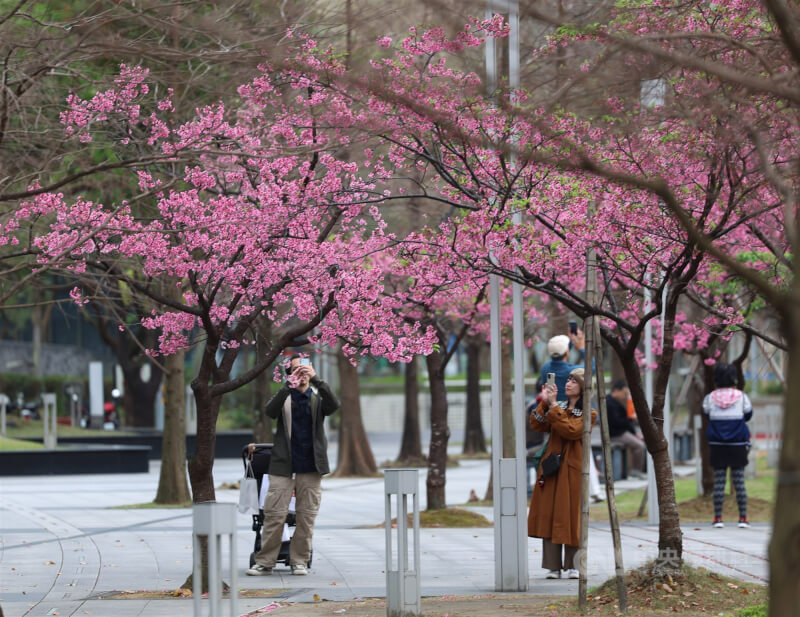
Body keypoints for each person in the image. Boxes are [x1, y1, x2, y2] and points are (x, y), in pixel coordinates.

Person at [246, 354, 340, 576]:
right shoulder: (285, 397)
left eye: (305, 368)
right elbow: (269, 411)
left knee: (306, 516)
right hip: (282, 466)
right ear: (289, 374)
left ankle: (299, 561)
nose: (302, 372)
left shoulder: (318, 398)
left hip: (311, 466)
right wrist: (288, 387)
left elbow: (334, 405)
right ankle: (264, 562)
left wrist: (317, 380)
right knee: (274, 515)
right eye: (297, 369)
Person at [528, 368, 598, 579]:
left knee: (572, 515)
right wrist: (545, 402)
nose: (568, 384)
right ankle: (552, 566)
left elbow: (571, 430)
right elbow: (536, 424)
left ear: (583, 387)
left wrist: (555, 407)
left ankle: (574, 565)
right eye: (568, 379)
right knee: (550, 514)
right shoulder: (558, 407)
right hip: (551, 468)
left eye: (573, 381)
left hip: (574, 471)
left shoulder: (589, 413)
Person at [537, 332, 604, 502]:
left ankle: (588, 489)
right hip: (569, 412)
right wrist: (581, 348)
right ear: (567, 352)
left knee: (559, 450)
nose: (569, 383)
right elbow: (592, 368)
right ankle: (593, 490)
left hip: (554, 415)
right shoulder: (571, 371)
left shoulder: (545, 368)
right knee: (581, 450)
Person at [703, 362, 753, 529]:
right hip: (738, 444)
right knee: (739, 481)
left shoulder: (710, 398)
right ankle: (743, 518)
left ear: (715, 378)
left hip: (718, 445)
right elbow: (748, 415)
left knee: (719, 481)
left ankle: (718, 518)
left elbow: (707, 415)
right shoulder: (741, 397)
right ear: (735, 378)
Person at [606, 381, 647, 479]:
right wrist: (630, 418)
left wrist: (635, 433)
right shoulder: (609, 402)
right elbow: (616, 422)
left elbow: (626, 422)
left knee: (642, 441)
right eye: (624, 393)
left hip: (622, 432)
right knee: (639, 445)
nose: (625, 396)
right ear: (616, 391)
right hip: (615, 434)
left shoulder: (615, 402)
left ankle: (641, 470)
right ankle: (636, 471)